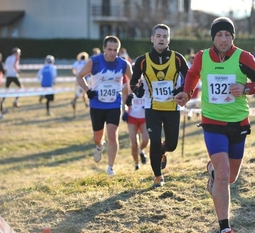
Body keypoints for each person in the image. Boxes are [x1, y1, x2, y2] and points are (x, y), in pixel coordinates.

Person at [174, 17, 255, 233]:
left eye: (227, 35)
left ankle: (213, 173)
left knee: (230, 178)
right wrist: (187, 93)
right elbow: (192, 75)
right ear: (213, 38)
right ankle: (225, 229)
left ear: (232, 37)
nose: (223, 39)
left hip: (238, 123)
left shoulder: (243, 57)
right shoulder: (202, 57)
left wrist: (245, 88)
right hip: (213, 123)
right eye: (219, 35)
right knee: (224, 174)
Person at [130, 23, 189, 188]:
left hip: (172, 107)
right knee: (154, 141)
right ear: (152, 38)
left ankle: (163, 151)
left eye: (165, 36)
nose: (161, 39)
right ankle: (158, 176)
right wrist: (138, 91)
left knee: (172, 145)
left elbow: (190, 78)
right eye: (158, 36)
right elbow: (133, 82)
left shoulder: (177, 58)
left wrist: (181, 89)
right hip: (152, 108)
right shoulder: (142, 60)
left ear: (169, 40)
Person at [77, 35, 133, 176]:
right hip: (97, 104)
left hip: (114, 103)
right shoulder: (94, 61)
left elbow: (134, 79)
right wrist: (88, 91)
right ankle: (99, 145)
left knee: (113, 134)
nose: (112, 53)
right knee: (97, 136)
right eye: (109, 49)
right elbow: (79, 76)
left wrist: (131, 93)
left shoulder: (123, 64)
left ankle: (110, 167)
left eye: (115, 50)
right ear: (104, 49)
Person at [122, 83, 149, 170]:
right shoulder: (127, 87)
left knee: (146, 139)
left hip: (144, 117)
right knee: (134, 143)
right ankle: (136, 164)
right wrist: (124, 112)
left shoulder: (147, 83)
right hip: (132, 117)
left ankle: (140, 150)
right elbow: (124, 102)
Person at [1, 47, 22, 112]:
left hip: (8, 75)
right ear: (16, 53)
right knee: (21, 88)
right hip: (14, 75)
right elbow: (15, 65)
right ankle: (15, 101)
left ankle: (2, 103)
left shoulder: (8, 58)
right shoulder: (16, 58)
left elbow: (5, 66)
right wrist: (18, 70)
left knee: (6, 89)